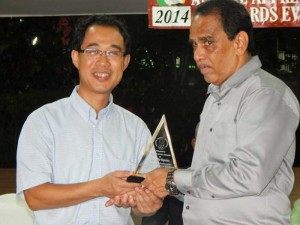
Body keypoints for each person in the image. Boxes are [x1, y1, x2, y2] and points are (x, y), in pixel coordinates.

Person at [142, 0, 300, 224]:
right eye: (195, 45)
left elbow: (248, 175)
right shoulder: (215, 98)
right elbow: (208, 182)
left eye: (207, 42)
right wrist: (164, 186)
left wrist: (173, 179)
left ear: (239, 43)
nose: (198, 54)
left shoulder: (266, 94)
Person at [16, 15, 161, 225]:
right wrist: (100, 187)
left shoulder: (136, 128)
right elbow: (35, 197)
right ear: (76, 57)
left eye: (113, 52)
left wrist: (147, 205)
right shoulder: (43, 121)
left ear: (125, 62)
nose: (103, 61)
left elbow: (145, 199)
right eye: (93, 51)